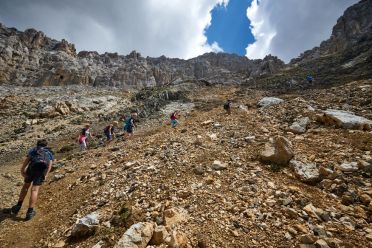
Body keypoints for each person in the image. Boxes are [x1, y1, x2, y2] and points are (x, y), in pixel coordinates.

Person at [8, 139, 54, 220]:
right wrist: (46, 175)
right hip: (41, 171)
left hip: (31, 169)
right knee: (34, 190)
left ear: (37, 144)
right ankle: (30, 212)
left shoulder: (34, 150)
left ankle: (18, 206)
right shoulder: (49, 152)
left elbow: (27, 160)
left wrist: (22, 170)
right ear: (46, 145)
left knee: (26, 186)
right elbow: (49, 165)